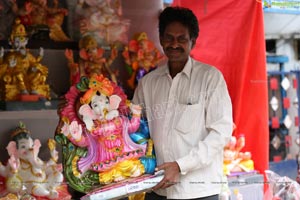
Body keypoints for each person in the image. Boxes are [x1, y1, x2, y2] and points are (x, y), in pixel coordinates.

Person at [132, 6, 233, 200]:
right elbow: (133, 127)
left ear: (192, 42)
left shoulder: (210, 78)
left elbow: (221, 133)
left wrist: (180, 166)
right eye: (169, 38)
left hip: (199, 190)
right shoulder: (148, 83)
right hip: (158, 189)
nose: (174, 44)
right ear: (161, 39)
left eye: (182, 39)